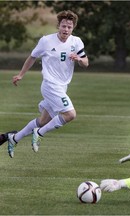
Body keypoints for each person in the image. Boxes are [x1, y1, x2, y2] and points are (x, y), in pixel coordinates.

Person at [5, 10, 88, 158]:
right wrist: (21, 74)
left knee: (43, 120)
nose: (66, 30)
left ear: (73, 28)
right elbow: (32, 57)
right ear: (58, 26)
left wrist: (79, 60)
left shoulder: (76, 42)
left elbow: (86, 62)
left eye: (69, 27)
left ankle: (14, 138)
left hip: (62, 86)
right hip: (50, 85)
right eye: (63, 26)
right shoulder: (46, 41)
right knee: (70, 114)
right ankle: (39, 133)